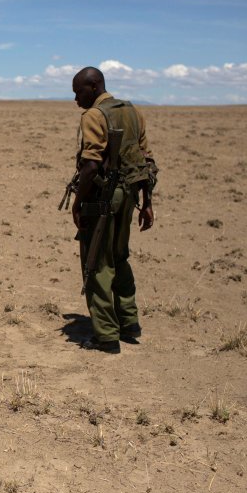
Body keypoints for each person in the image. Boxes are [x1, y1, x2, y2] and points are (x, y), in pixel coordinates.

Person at [69, 66, 157, 354]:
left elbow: (91, 163)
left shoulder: (94, 115)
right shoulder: (133, 111)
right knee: (120, 257)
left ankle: (106, 335)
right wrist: (147, 204)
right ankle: (129, 323)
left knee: (96, 263)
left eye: (78, 92)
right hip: (130, 196)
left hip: (103, 199)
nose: (76, 99)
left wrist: (78, 202)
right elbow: (146, 162)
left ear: (93, 87)